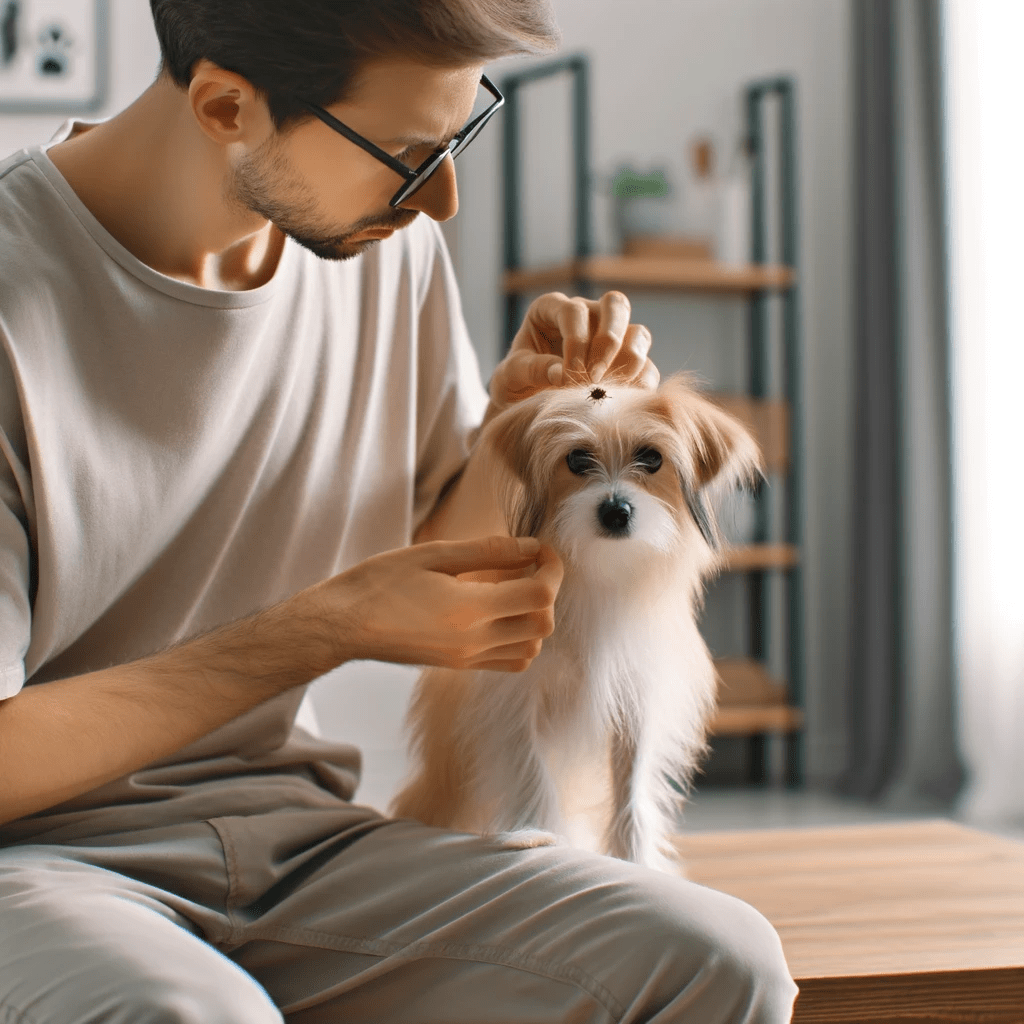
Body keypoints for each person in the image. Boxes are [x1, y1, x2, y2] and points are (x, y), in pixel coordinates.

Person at [0, 1, 799, 1020]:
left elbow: (436, 563)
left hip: (301, 841)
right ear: (226, 105)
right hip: (41, 861)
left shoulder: (379, 247)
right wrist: (321, 627)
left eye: (461, 133)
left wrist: (510, 425)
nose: (444, 201)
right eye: (411, 153)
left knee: (718, 957)